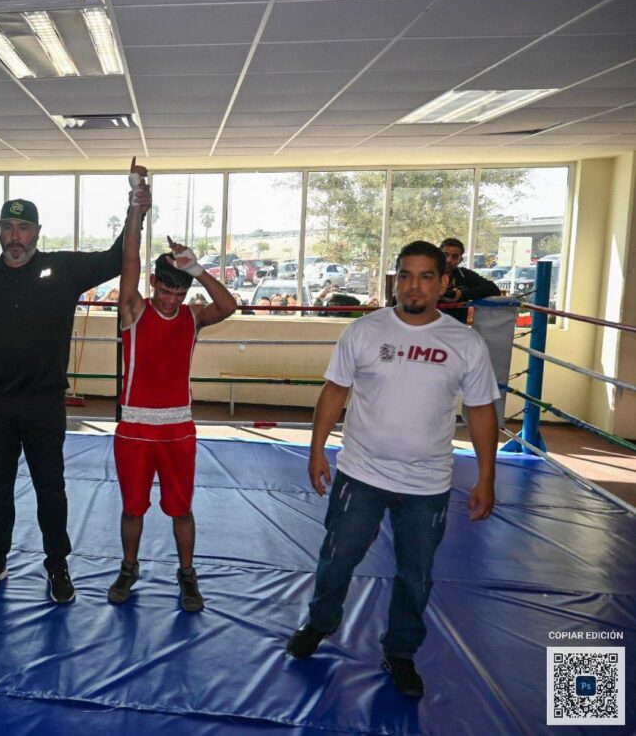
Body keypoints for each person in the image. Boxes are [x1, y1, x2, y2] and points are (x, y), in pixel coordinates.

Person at [0, 162, 149, 604]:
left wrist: (135, 209)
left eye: (23, 228)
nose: (15, 236)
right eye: (7, 227)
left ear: (37, 232)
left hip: (45, 404)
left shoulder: (62, 270)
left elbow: (115, 257)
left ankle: (56, 563)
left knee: (51, 487)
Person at [285, 240, 500, 698]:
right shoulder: (364, 331)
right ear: (395, 280)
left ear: (444, 283)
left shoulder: (465, 342)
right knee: (337, 557)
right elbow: (333, 392)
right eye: (405, 275)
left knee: (416, 574)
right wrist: (316, 450)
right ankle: (320, 622)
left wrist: (487, 476)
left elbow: (481, 410)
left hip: (428, 483)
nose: (413, 285)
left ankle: (400, 651)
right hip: (361, 473)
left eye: (425, 276)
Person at [107, 170, 236, 612]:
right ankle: (129, 567)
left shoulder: (192, 317)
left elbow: (229, 306)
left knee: (181, 508)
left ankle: (186, 574)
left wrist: (197, 268)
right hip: (135, 426)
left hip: (178, 427)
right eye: (164, 291)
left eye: (177, 294)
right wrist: (136, 210)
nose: (169, 300)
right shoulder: (135, 312)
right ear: (153, 287)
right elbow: (129, 262)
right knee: (133, 509)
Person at [438, 237, 501, 321]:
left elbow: (493, 289)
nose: (449, 260)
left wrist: (461, 294)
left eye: (454, 256)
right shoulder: (426, 274)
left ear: (460, 260)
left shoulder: (464, 275)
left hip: (457, 329)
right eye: (445, 255)